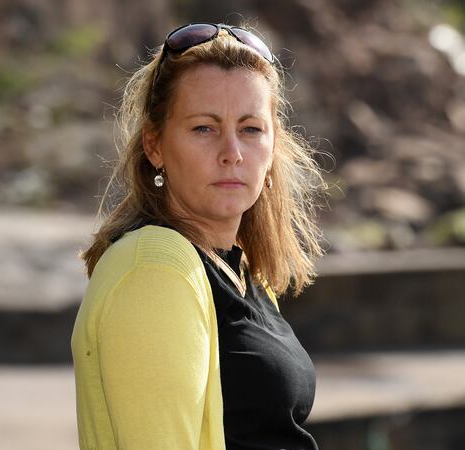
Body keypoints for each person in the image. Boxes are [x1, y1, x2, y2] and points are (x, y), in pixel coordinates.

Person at [70, 22, 326, 450]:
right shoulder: (156, 268)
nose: (232, 153)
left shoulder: (240, 270)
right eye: (204, 128)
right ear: (154, 145)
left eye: (250, 128)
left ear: (273, 143)